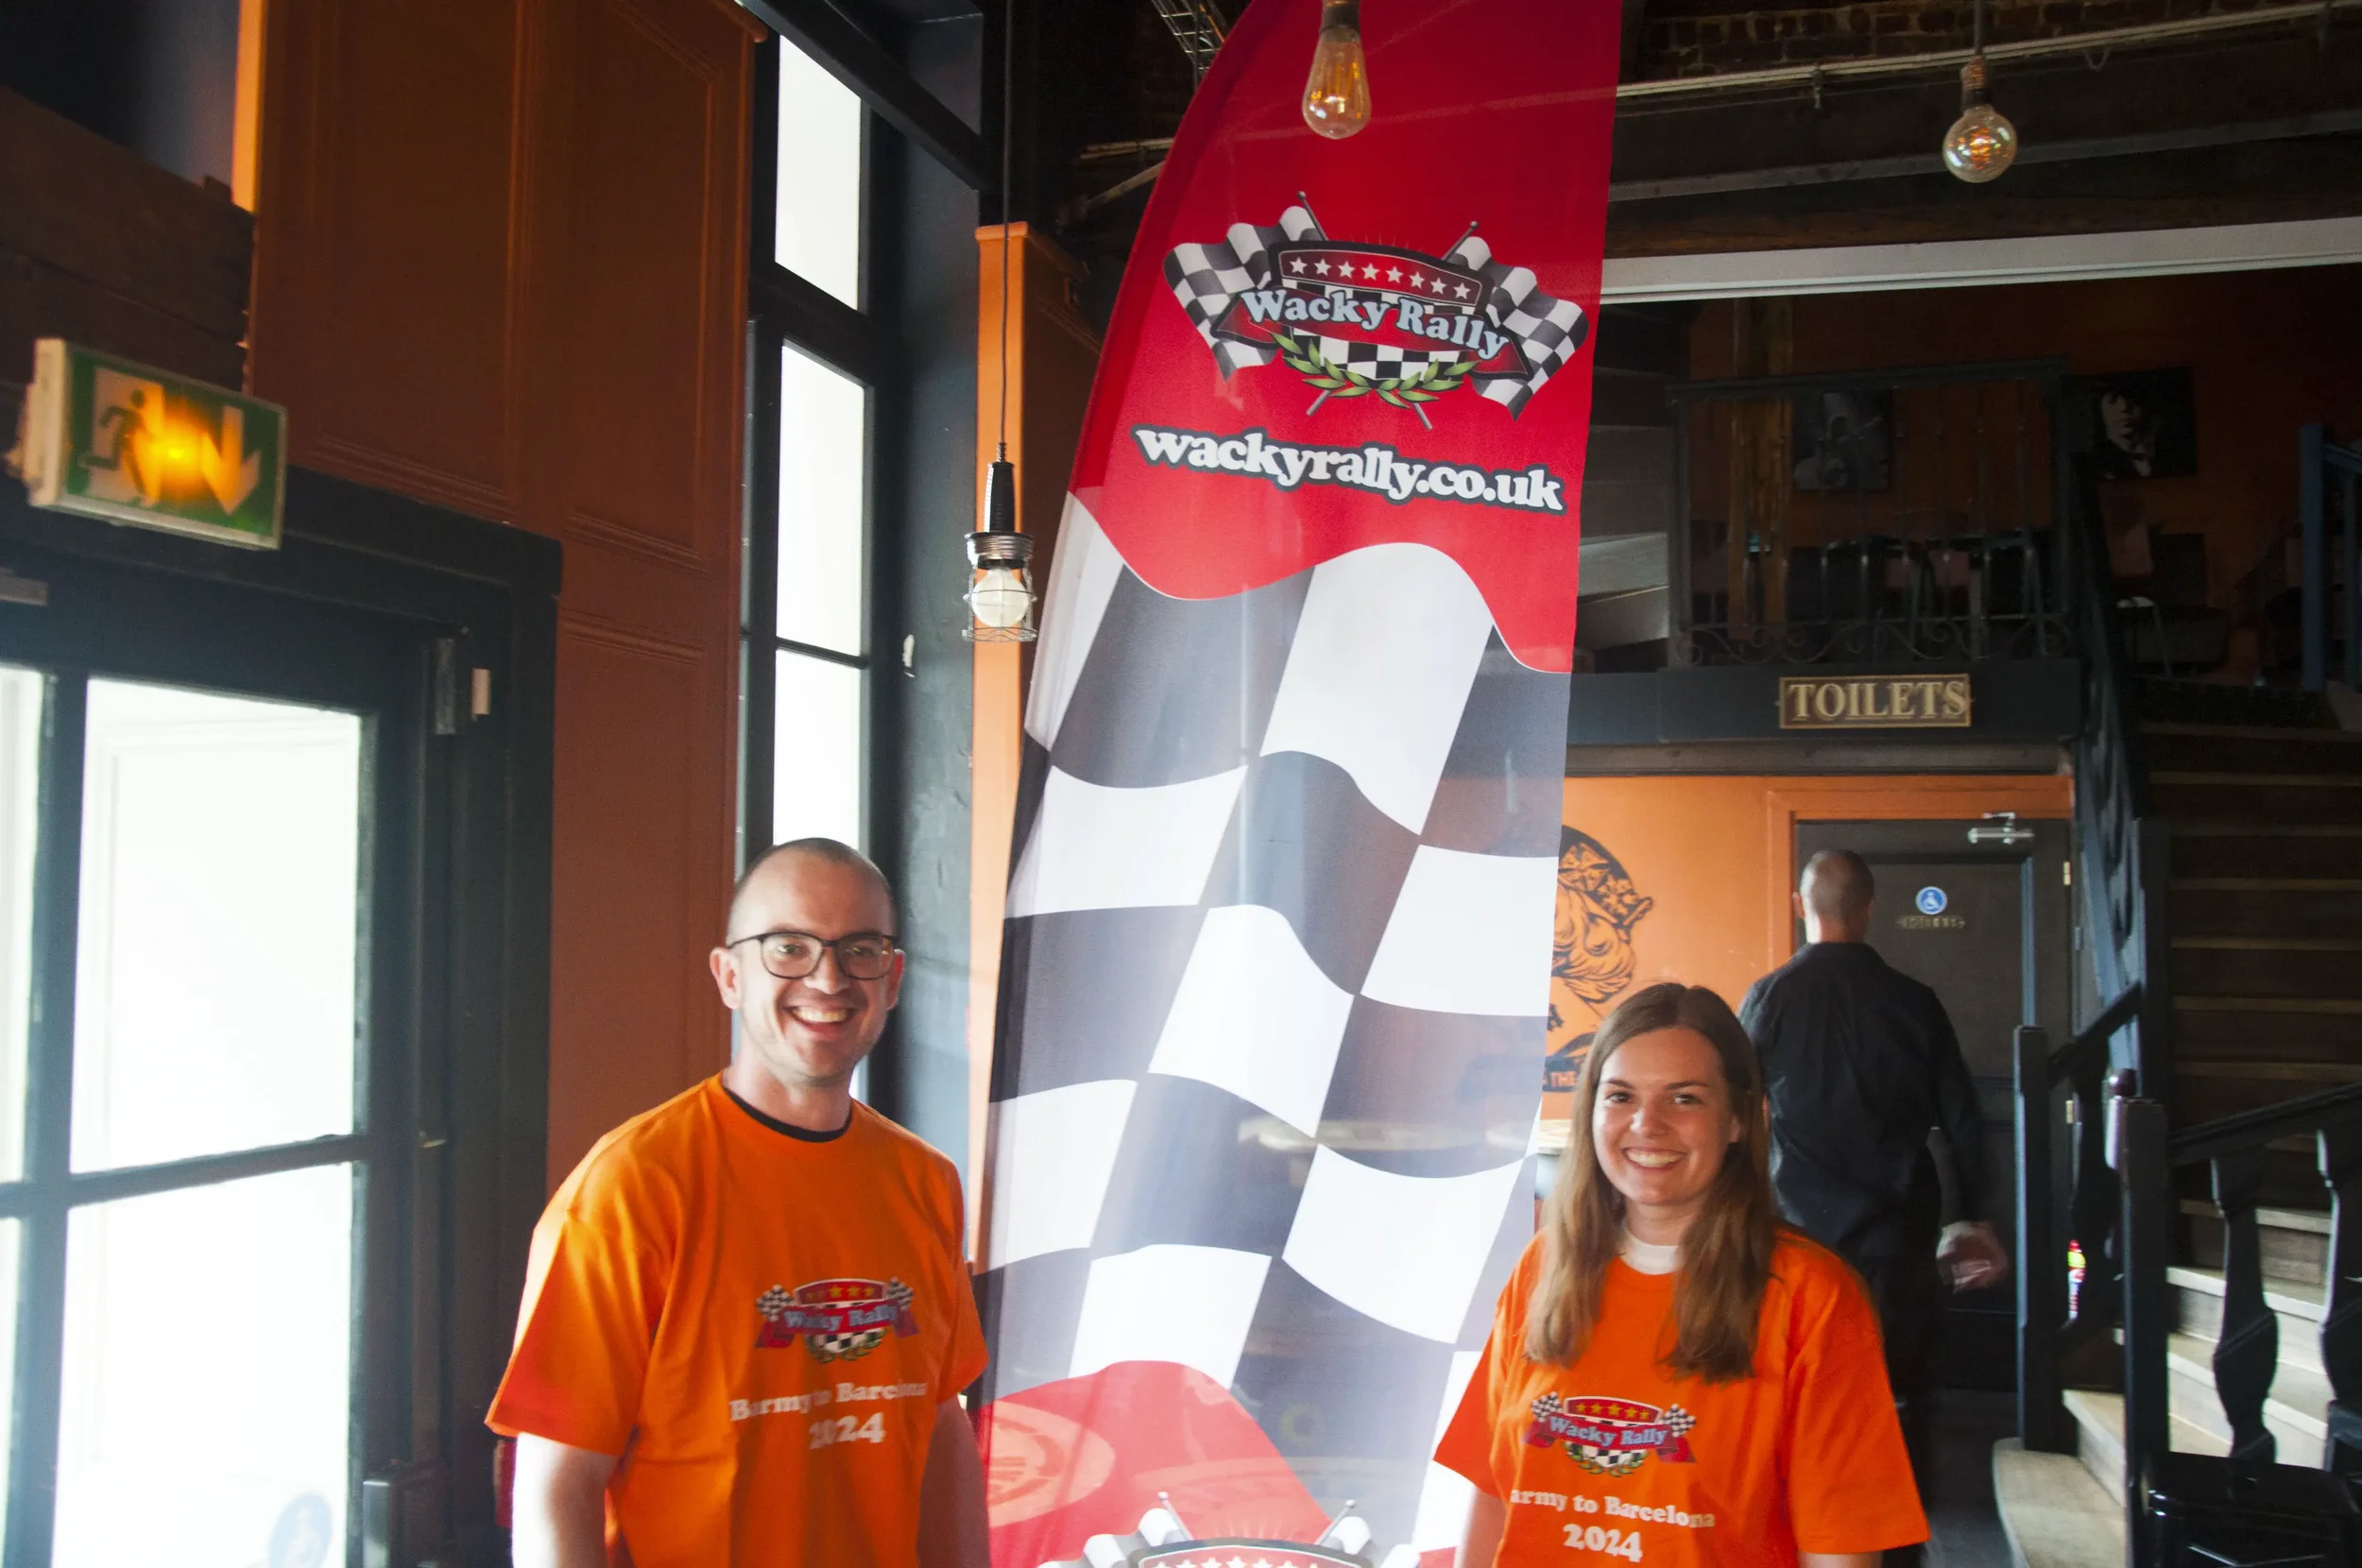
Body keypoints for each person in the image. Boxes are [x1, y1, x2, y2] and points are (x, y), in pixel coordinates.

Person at [490, 838, 989, 1567]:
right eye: (788, 947)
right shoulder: (630, 1189)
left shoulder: (925, 1182)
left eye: (861, 949)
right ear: (729, 976)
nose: (828, 979)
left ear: (894, 976)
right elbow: (556, 1482)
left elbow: (938, 1424)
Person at [1438, 983, 1925, 1568]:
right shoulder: (1543, 1268)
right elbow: (1493, 1494)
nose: (1647, 1123)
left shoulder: (1812, 1296)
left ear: (1741, 1119)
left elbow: (1840, 1550)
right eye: (1620, 1096)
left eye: (1685, 1099)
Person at [1738, 849, 2007, 1558]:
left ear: (1802, 907)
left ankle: (1801, 1534)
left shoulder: (1769, 998)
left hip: (1798, 1239)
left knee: (1796, 1395)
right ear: (1868, 908)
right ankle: (1901, 1543)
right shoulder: (1915, 1001)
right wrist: (1970, 1219)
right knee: (1903, 1396)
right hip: (1899, 1236)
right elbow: (1963, 1119)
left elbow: (1731, 1115)